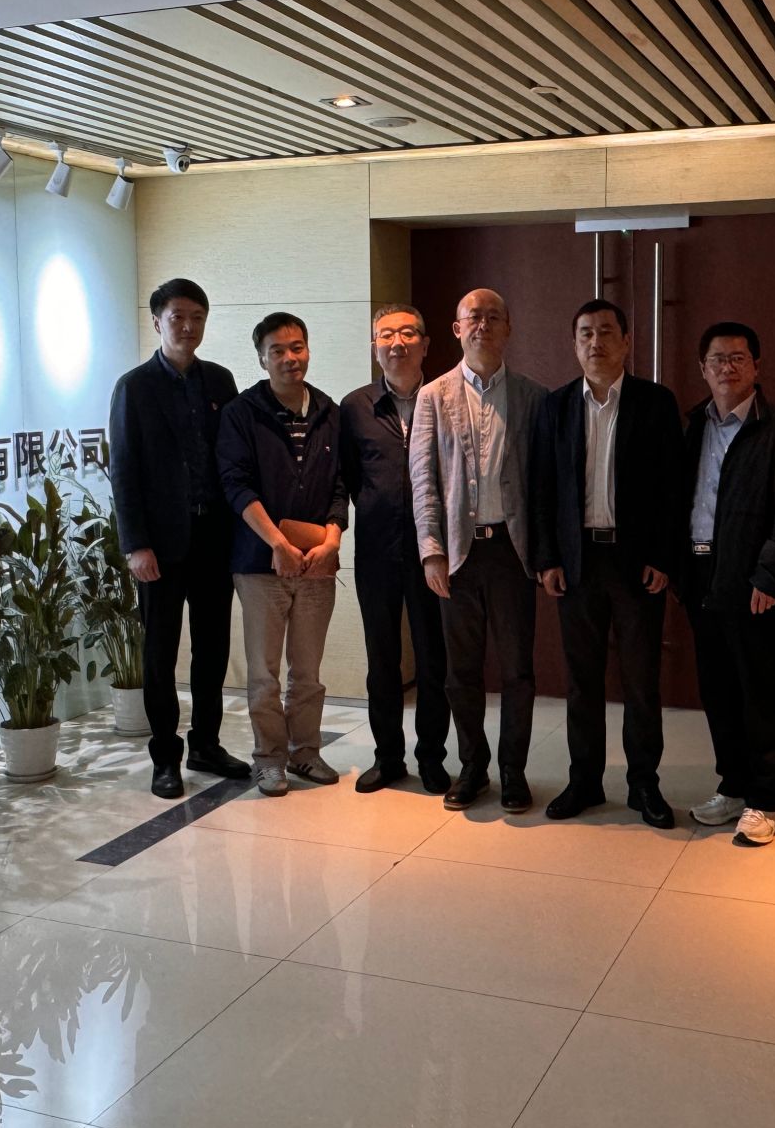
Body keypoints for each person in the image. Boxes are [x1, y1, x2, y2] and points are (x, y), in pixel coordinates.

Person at [531, 299, 686, 829]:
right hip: (576, 562)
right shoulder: (554, 407)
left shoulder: (656, 403)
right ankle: (584, 780)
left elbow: (673, 488)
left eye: (605, 332)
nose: (595, 342)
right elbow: (541, 488)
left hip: (636, 561)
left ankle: (644, 783)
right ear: (574, 344)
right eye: (585, 333)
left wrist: (663, 556)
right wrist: (547, 558)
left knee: (641, 680)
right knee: (582, 680)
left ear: (626, 341)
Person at [107, 278, 251, 798]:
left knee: (212, 649)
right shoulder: (134, 386)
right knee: (160, 653)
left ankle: (206, 744)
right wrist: (134, 545)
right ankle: (165, 756)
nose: (188, 327)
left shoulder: (220, 380)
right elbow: (123, 470)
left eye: (197, 318)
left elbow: (235, 455)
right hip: (159, 547)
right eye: (177, 317)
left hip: (214, 537)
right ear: (157, 322)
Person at [409, 288, 547, 812]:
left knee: (517, 671)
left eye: (493, 317)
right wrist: (431, 550)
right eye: (473, 317)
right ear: (456, 328)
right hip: (458, 552)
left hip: (513, 551)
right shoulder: (433, 396)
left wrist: (545, 554)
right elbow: (423, 480)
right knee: (460, 672)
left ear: (508, 327)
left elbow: (544, 485)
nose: (482, 325)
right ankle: (472, 767)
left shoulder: (534, 396)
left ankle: (513, 771)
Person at [681, 322, 775, 846]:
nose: (727, 368)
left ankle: (766, 800)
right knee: (717, 690)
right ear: (703, 369)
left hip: (752, 579)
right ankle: (733, 786)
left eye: (738, 358)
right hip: (700, 575)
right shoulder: (694, 425)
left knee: (759, 691)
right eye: (717, 359)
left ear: (756, 366)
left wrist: (770, 575)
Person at [215, 312, 348, 797]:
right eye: (277, 350)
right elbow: (236, 485)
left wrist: (332, 540)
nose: (290, 358)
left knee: (307, 672)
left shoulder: (330, 411)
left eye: (297, 347)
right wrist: (277, 543)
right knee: (264, 674)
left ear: (308, 350)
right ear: (261, 358)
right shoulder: (241, 412)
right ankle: (269, 759)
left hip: (317, 563)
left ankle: (305, 751)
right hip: (259, 563)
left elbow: (340, 486)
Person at [339, 305, 452, 796]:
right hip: (376, 553)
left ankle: (432, 759)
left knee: (433, 661)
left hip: (434, 552)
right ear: (375, 347)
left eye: (407, 333)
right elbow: (346, 478)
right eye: (386, 335)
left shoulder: (445, 398)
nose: (397, 342)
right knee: (381, 661)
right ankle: (388, 758)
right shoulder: (355, 407)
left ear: (426, 344)